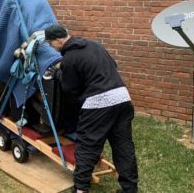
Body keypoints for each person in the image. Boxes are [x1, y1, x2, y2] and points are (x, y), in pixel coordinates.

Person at [44, 24, 138, 193]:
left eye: (50, 43)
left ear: (59, 40)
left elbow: (70, 88)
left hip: (98, 104)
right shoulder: (94, 44)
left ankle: (80, 189)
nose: (51, 46)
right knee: (123, 146)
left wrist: (57, 74)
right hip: (123, 99)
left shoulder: (69, 58)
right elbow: (113, 65)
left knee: (87, 146)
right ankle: (129, 189)